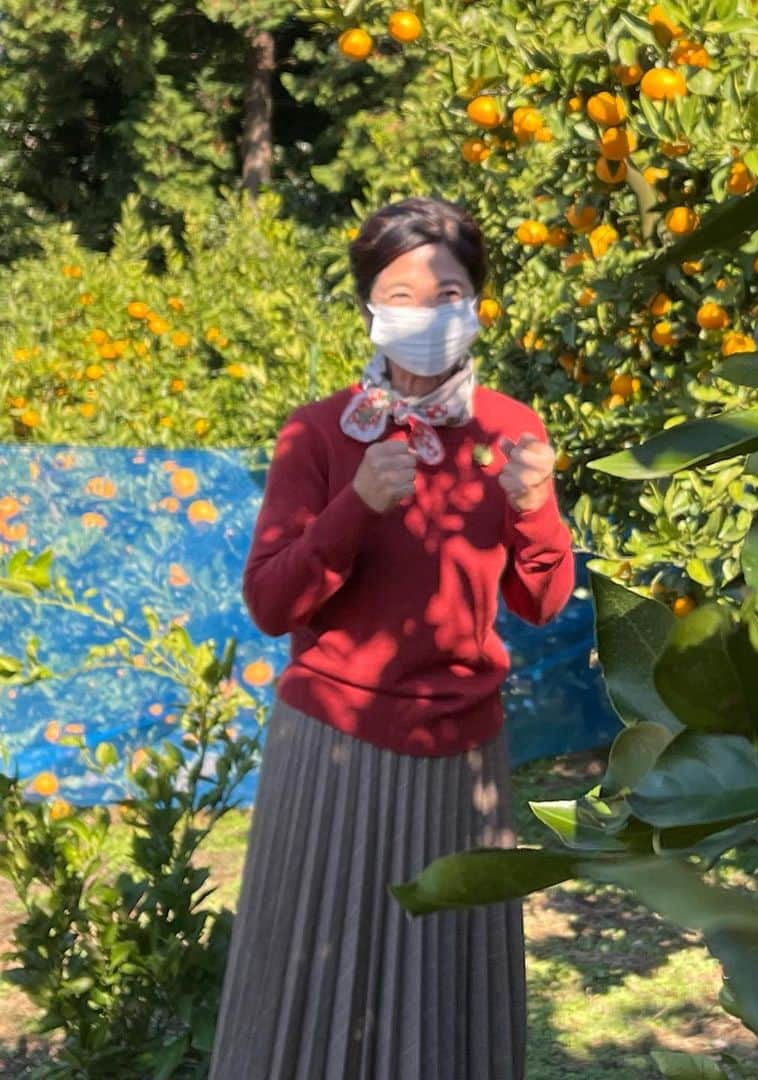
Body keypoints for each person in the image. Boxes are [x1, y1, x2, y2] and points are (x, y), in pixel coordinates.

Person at [208, 195, 576, 1080]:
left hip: (465, 754)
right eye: (402, 293)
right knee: (310, 980)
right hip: (333, 744)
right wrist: (357, 505)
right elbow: (269, 600)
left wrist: (533, 506)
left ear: (477, 304)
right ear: (371, 307)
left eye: (447, 290)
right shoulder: (319, 431)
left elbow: (543, 600)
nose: (426, 311)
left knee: (445, 986)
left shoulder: (512, 431)